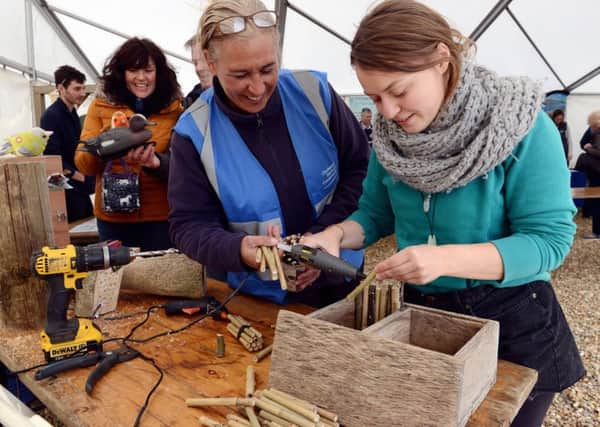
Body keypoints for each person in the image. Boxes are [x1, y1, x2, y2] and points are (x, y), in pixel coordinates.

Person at [302, 1, 584, 425]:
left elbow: (549, 242)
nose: (388, 112)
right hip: (422, 315)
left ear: (441, 58)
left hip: (512, 318)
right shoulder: (389, 137)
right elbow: (375, 215)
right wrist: (336, 236)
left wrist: (444, 258)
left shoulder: (521, 128)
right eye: (376, 98)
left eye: (398, 91)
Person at [168, 0, 369, 307]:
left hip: (341, 275)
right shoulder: (193, 131)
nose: (257, 87)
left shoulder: (315, 92)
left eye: (267, 69)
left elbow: (360, 170)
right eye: (240, 75)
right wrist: (238, 250)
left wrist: (324, 238)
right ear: (210, 62)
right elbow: (189, 225)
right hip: (260, 297)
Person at [75, 37, 183, 250]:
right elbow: (83, 164)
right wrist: (106, 144)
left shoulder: (176, 111)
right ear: (122, 73)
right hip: (113, 219)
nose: (141, 77)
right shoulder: (101, 106)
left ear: (159, 73)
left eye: (148, 70)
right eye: (133, 70)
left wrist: (156, 163)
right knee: (120, 280)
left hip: (161, 219)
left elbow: (186, 168)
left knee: (160, 280)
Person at [41, 65, 94, 223]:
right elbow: (52, 157)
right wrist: (79, 176)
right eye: (77, 89)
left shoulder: (72, 113)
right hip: (67, 190)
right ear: (61, 88)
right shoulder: (51, 116)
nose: (82, 93)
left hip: (80, 187)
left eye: (83, 88)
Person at [575, 110, 600, 238]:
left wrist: (588, 148)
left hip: (597, 173)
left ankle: (597, 232)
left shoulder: (598, 133)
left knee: (597, 202)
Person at [183, 33, 214, 108]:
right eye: (195, 63)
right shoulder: (190, 104)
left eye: (205, 60)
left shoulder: (244, 97)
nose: (199, 68)